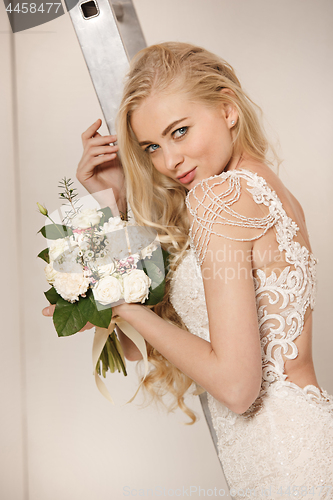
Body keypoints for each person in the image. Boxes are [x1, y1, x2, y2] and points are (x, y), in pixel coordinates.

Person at [43, 42, 333, 498]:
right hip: (293, 455)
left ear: (227, 108)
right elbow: (142, 350)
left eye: (180, 131)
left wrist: (122, 306)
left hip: (285, 464)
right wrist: (111, 202)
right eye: (152, 146)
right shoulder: (265, 189)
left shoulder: (221, 199)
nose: (168, 161)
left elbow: (238, 389)